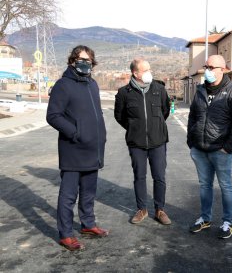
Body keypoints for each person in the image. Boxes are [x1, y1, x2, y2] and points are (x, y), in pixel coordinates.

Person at [46, 45, 108, 251]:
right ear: (73, 61)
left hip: (93, 150)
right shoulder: (63, 85)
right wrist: (75, 133)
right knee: (68, 195)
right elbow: (53, 115)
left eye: (89, 61)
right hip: (73, 149)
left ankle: (88, 224)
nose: (85, 64)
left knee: (89, 192)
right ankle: (65, 234)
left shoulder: (93, 85)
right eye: (81, 60)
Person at [187, 55, 232, 239]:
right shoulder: (200, 91)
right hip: (200, 149)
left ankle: (228, 222)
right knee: (205, 185)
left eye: (212, 67)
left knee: (226, 186)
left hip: (221, 151)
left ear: (223, 69)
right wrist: (191, 142)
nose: (208, 70)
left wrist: (229, 147)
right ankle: (205, 218)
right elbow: (192, 116)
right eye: (206, 66)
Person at [114, 58, 171, 225]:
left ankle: (160, 210)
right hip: (136, 143)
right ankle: (142, 209)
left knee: (159, 177)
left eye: (149, 69)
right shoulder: (124, 93)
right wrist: (134, 128)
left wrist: (155, 127)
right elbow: (120, 116)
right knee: (139, 177)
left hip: (158, 141)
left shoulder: (159, 89)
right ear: (135, 73)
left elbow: (165, 111)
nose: (149, 73)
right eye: (145, 70)